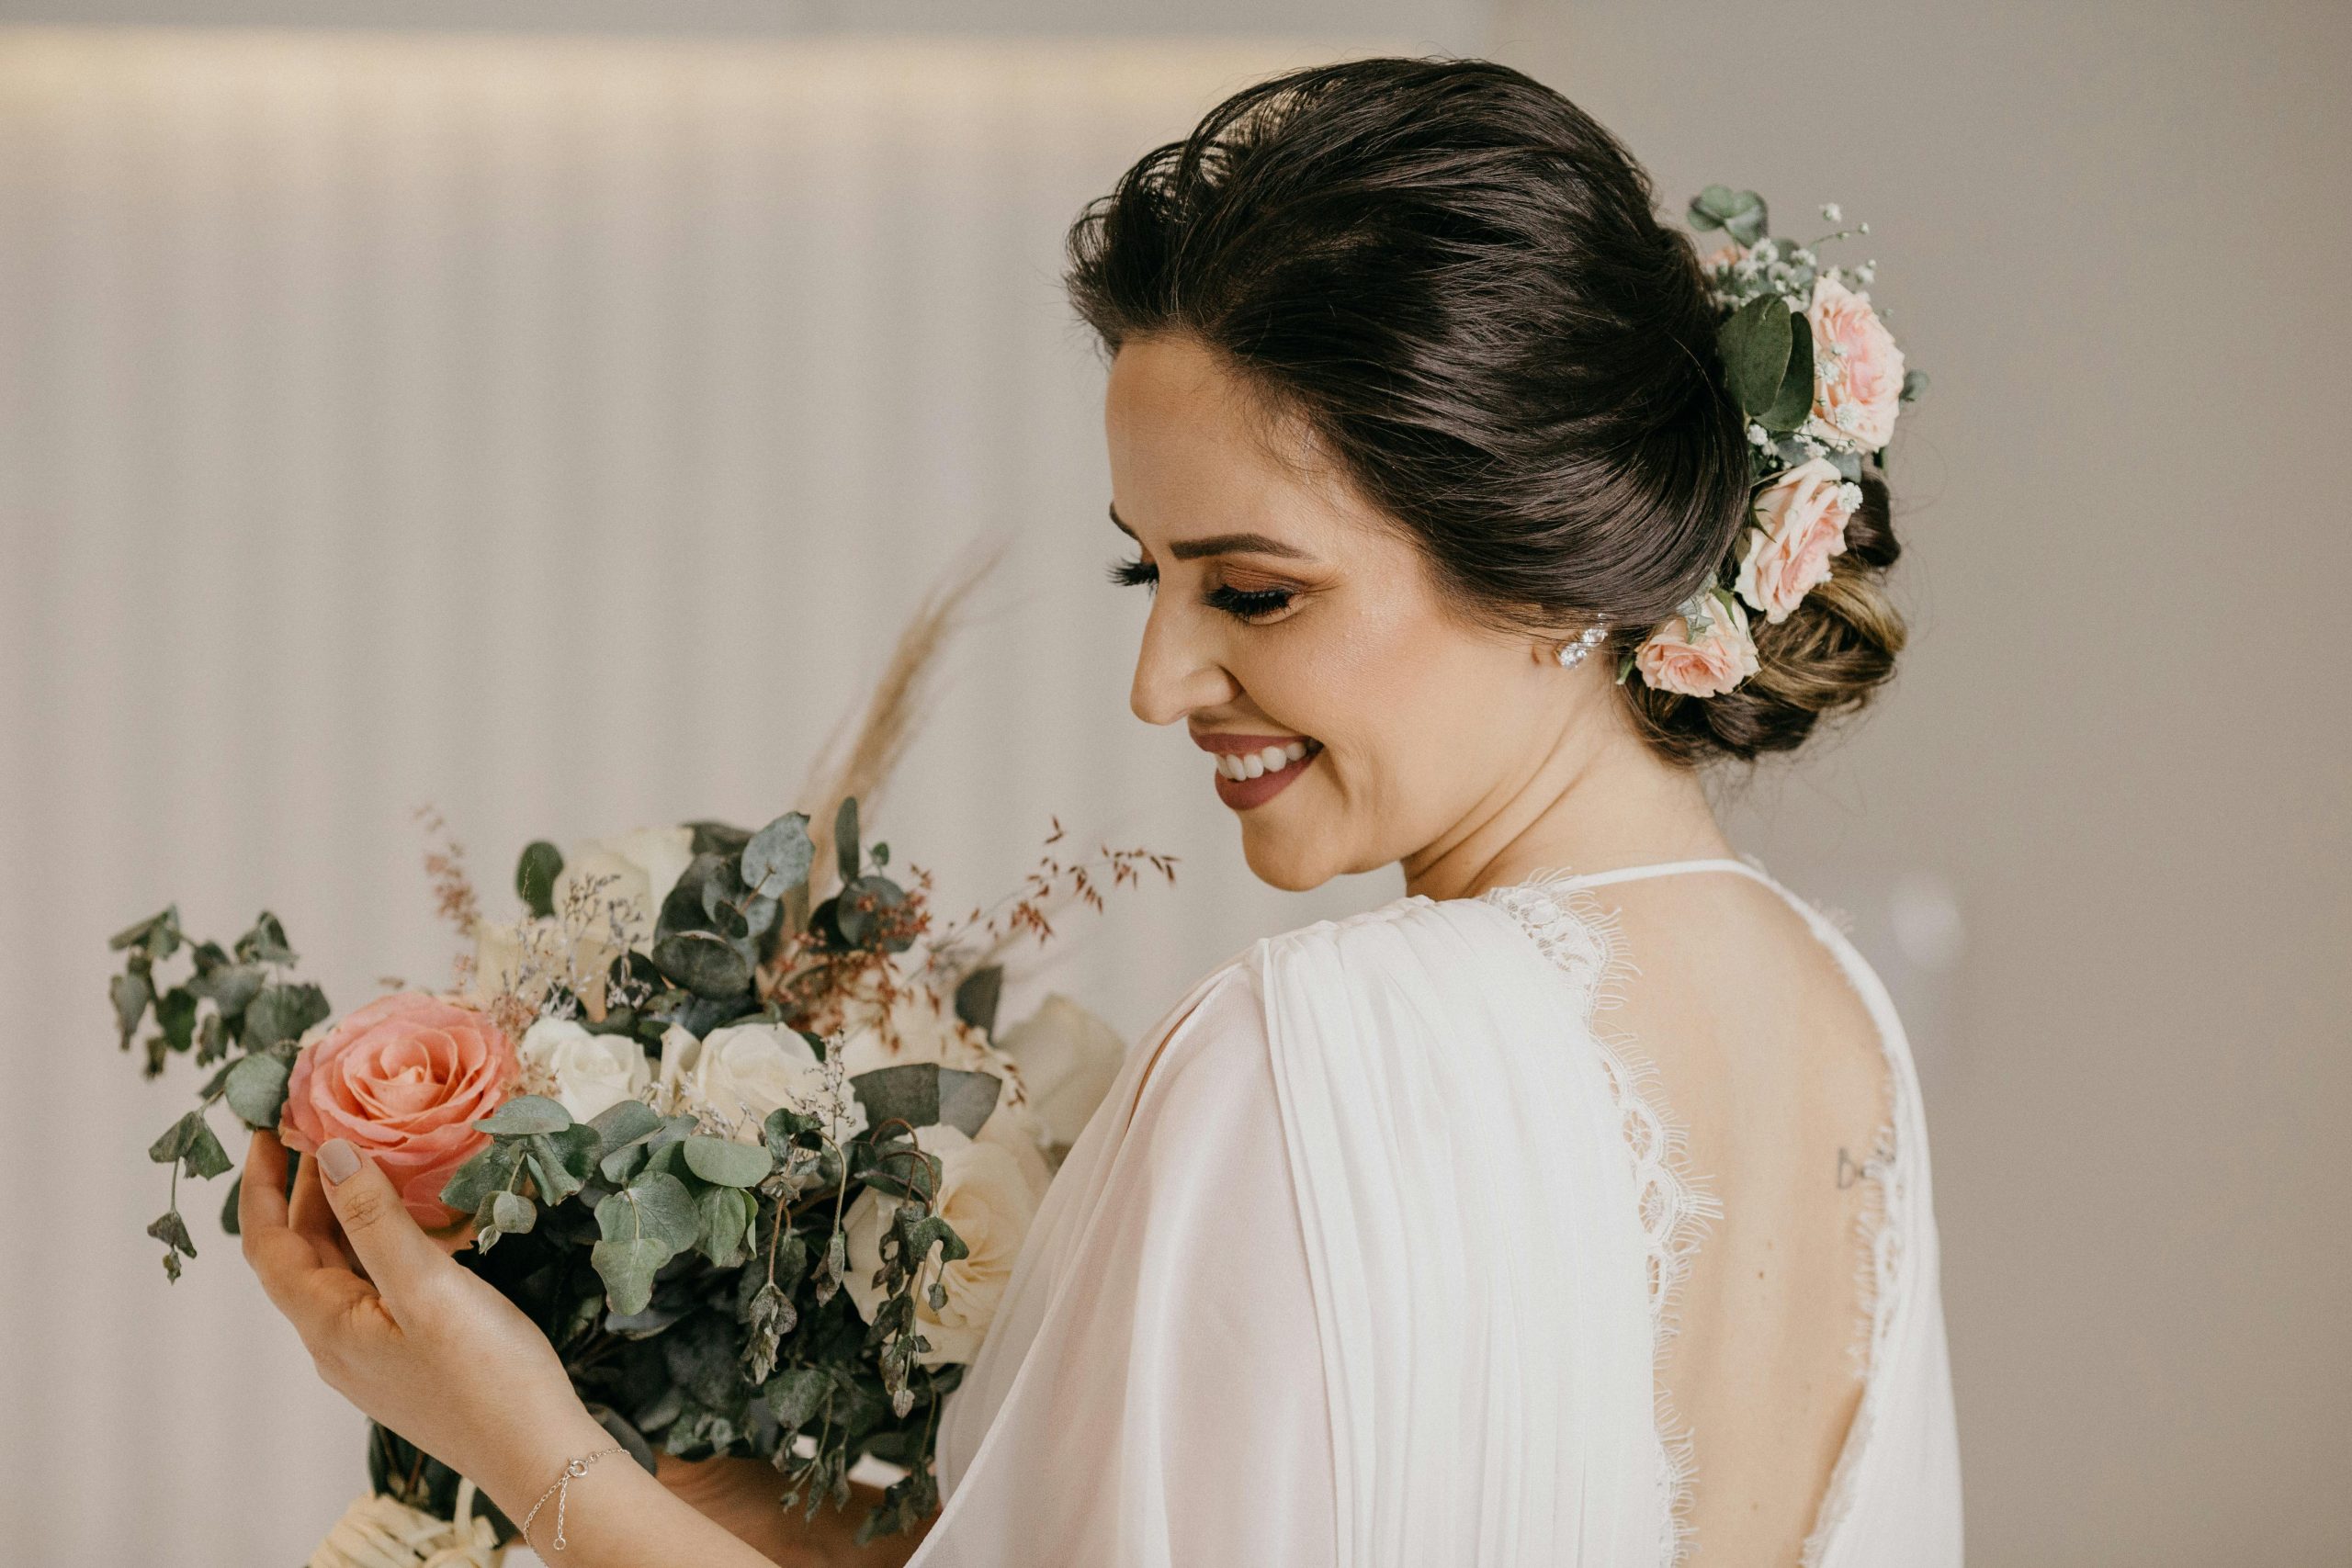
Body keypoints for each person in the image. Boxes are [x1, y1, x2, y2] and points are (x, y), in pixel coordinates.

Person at [243, 57, 1961, 1568]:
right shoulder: (1839, 1022)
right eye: (1151, 572)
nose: (1158, 680)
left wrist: (515, 1448)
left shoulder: (1318, 1050)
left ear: (1548, 570)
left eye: (1255, 592)